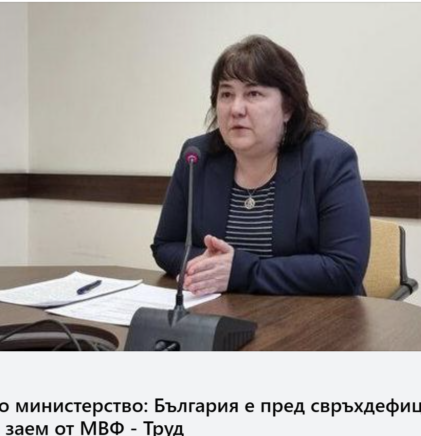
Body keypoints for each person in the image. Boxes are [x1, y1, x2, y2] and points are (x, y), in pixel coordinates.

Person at [151, 35, 370, 296]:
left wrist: (242, 271)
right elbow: (166, 245)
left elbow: (344, 269)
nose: (236, 109)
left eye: (253, 94)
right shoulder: (197, 157)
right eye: (226, 94)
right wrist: (210, 266)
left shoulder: (329, 159)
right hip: (221, 312)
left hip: (312, 317)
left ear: (288, 107)